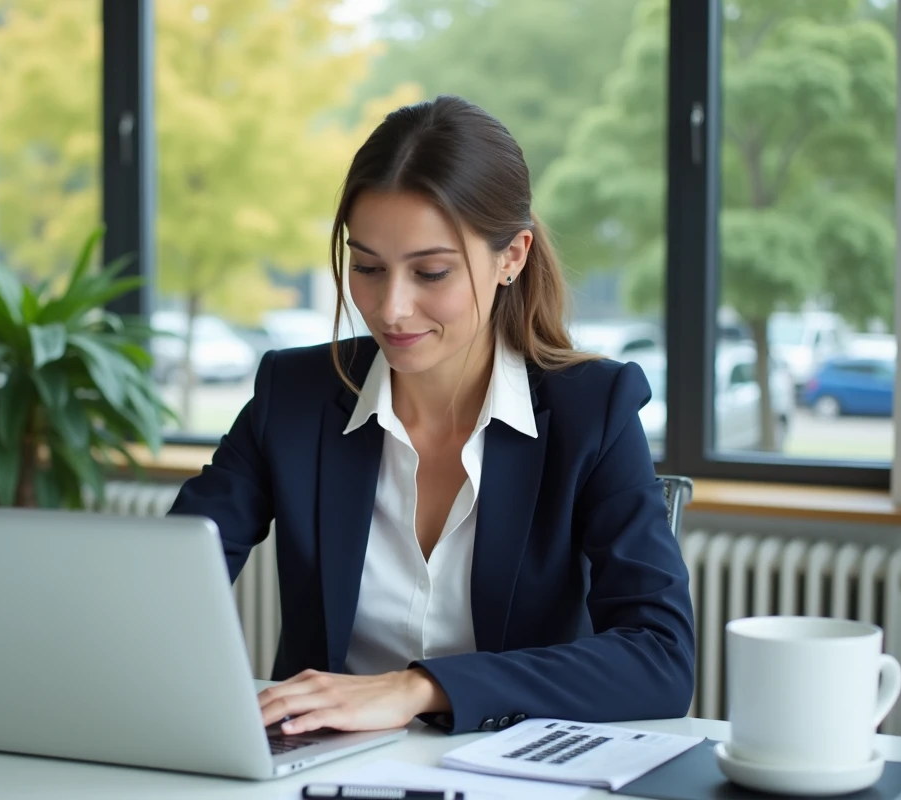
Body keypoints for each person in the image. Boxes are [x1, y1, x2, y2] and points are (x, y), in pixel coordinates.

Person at [168, 95, 695, 737]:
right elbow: (166, 580)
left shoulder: (592, 411)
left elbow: (660, 658)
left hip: (504, 768)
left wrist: (420, 688)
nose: (390, 308)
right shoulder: (294, 396)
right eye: (367, 267)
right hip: (317, 763)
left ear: (512, 256)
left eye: (432, 272)